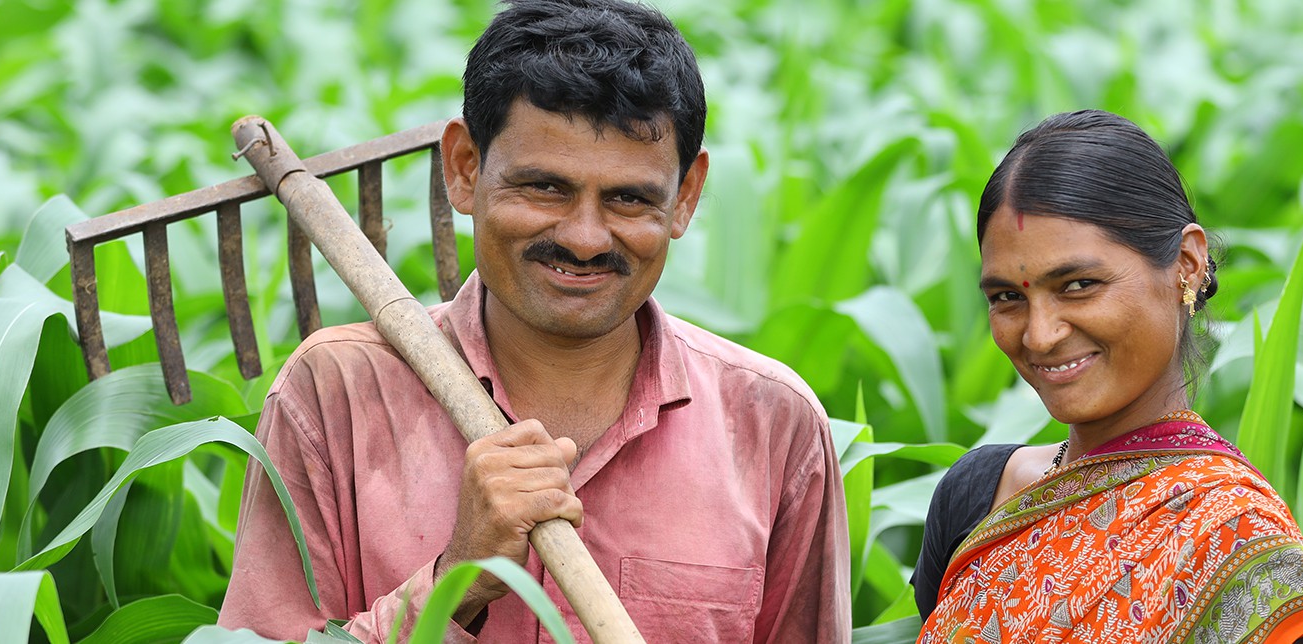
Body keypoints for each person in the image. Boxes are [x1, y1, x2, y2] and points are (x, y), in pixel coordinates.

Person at [217, 1, 849, 641]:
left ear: (685, 196)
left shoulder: (773, 426)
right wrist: (454, 583)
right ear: (465, 168)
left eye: (628, 198)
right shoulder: (335, 397)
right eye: (545, 187)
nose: (583, 238)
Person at [911, 110, 1303, 643]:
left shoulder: (1234, 544)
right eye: (1008, 297)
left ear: (1187, 264)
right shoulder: (976, 496)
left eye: (1079, 284)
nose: (1039, 335)